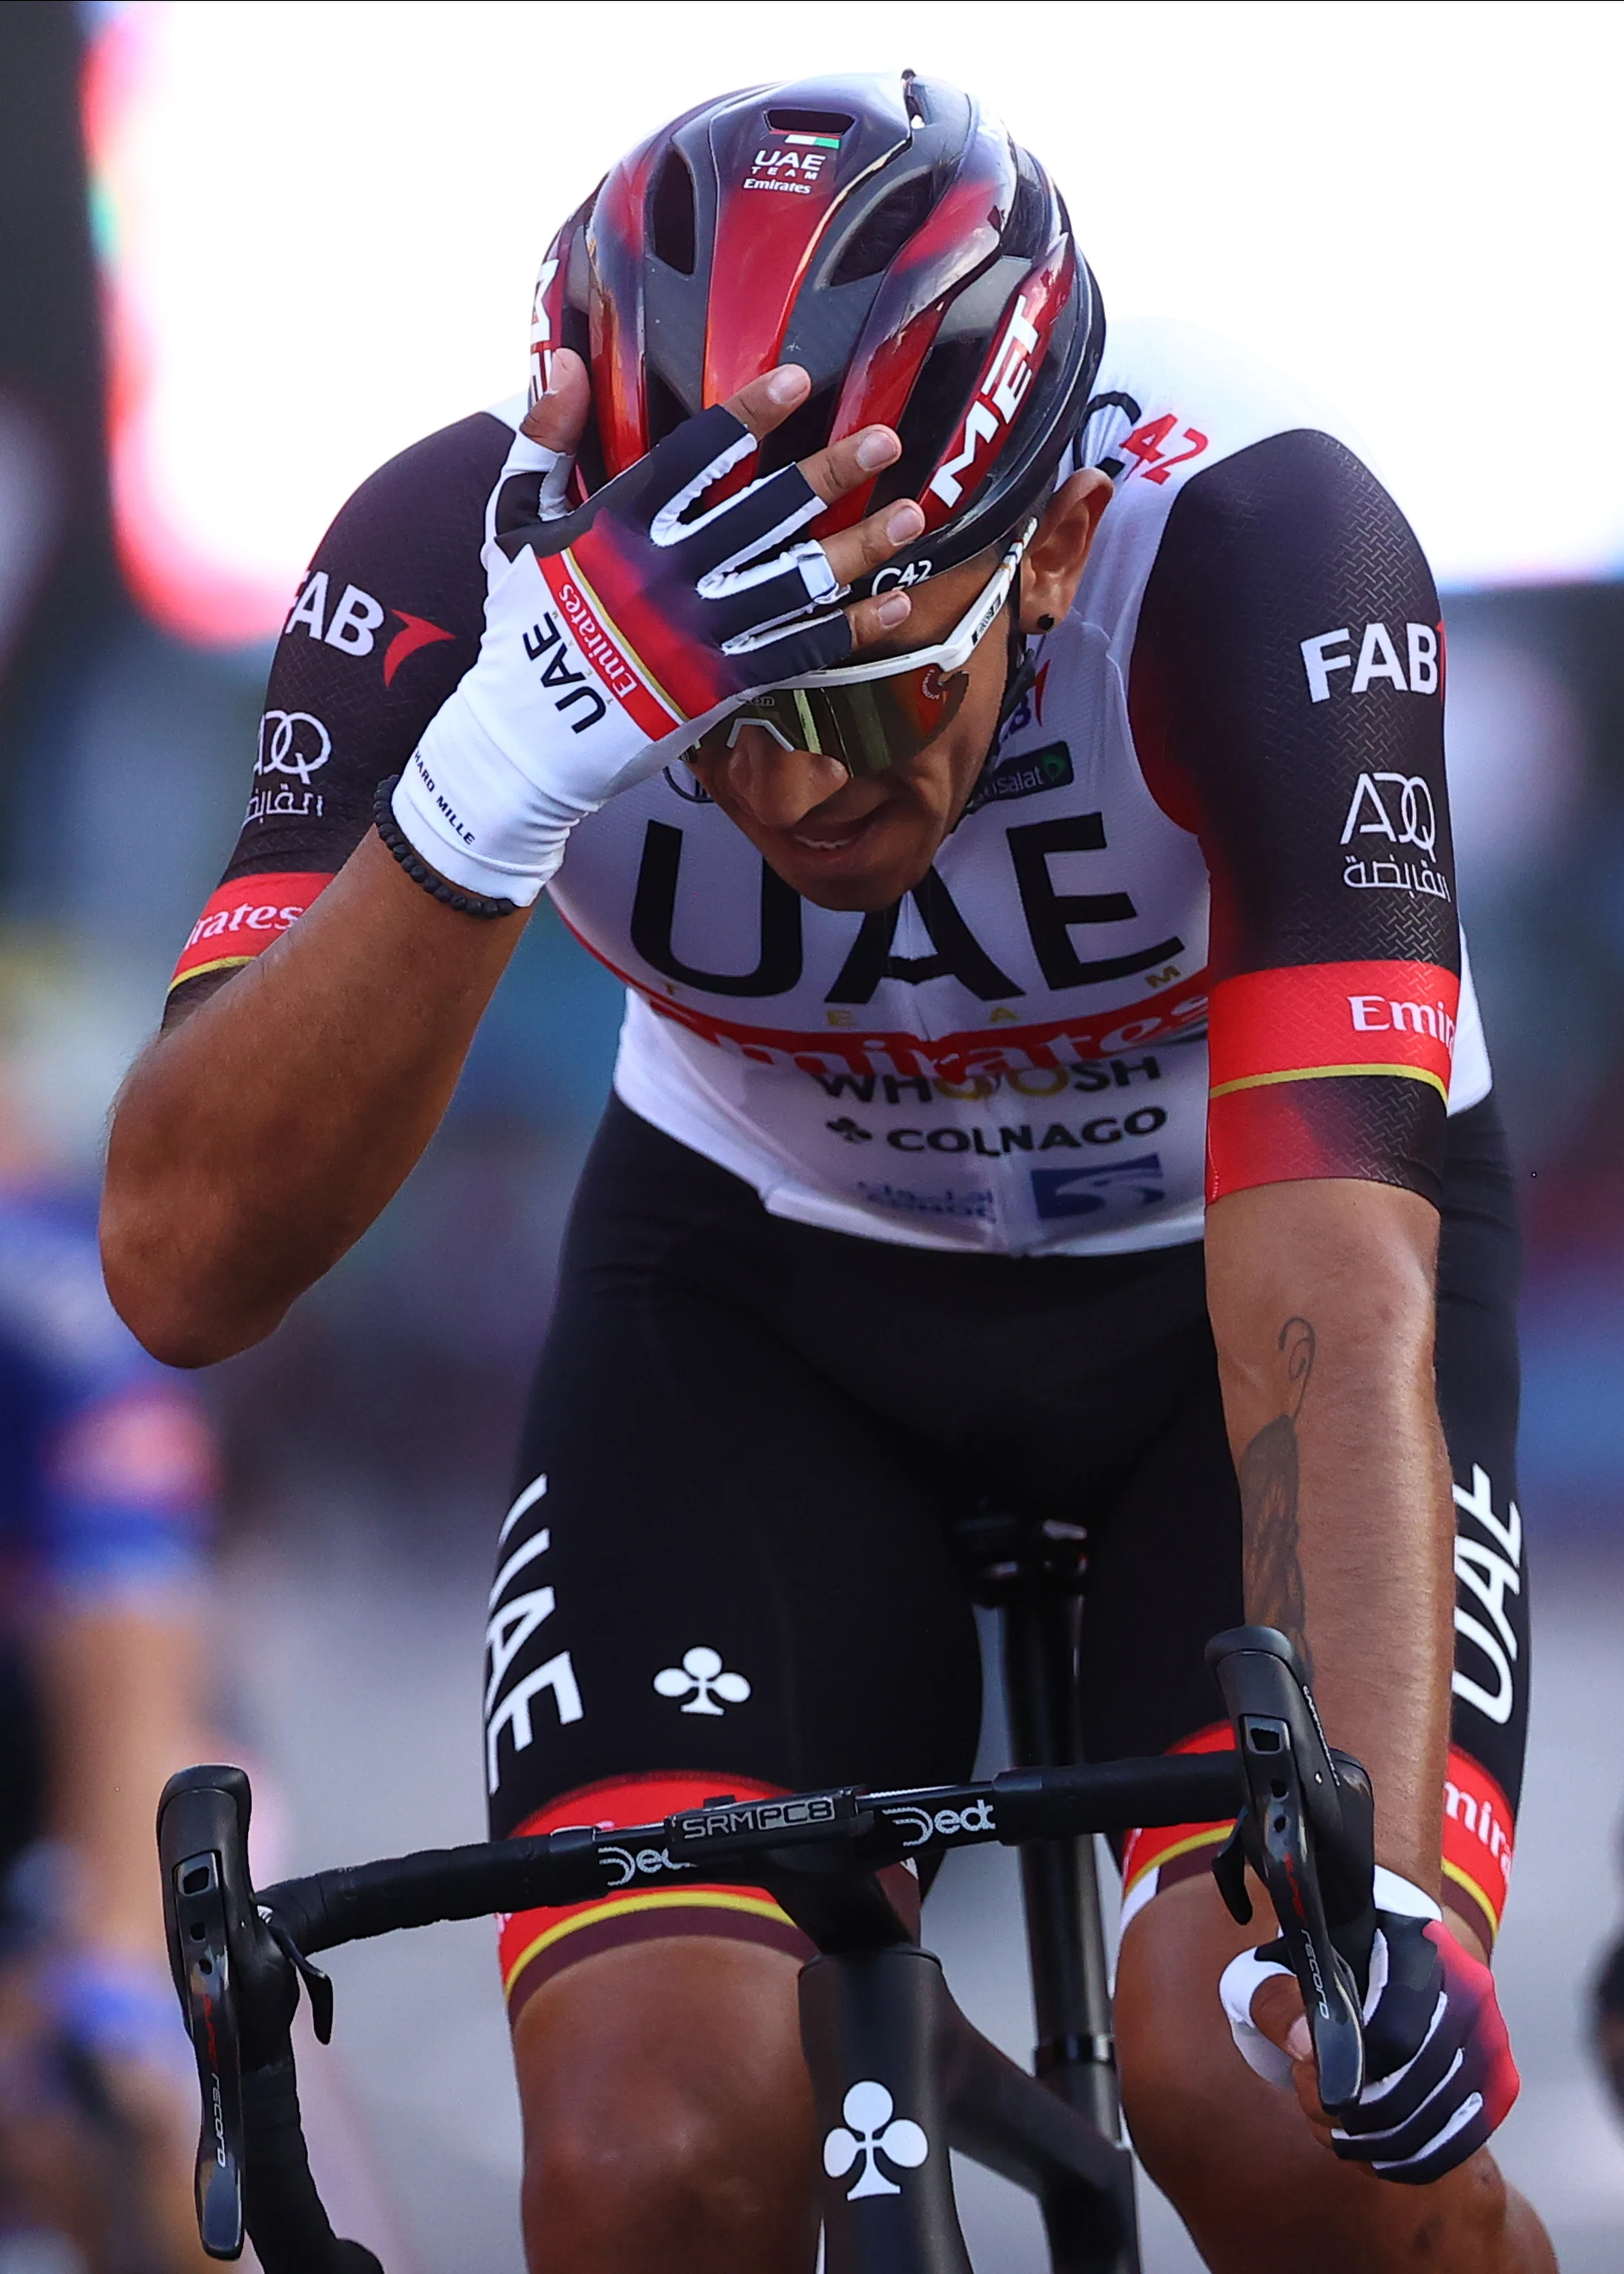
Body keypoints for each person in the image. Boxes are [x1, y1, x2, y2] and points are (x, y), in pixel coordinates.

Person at [101, 70, 1552, 2273]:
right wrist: (513, 755)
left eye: (867, 702)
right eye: (708, 717)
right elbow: (184, 1264)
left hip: (1225, 1296)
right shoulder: (447, 568)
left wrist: (1371, 1901)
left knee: (1272, 2089)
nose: (790, 792)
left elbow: (1332, 1302)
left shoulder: (1254, 557)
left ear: (1046, 547)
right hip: (763, 1295)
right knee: (651, 2152)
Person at [0, 1088, 220, 2270]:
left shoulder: (43, 1307)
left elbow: (133, 1669)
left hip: (85, 1743)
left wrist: (106, 1974)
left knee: (105, 2107)